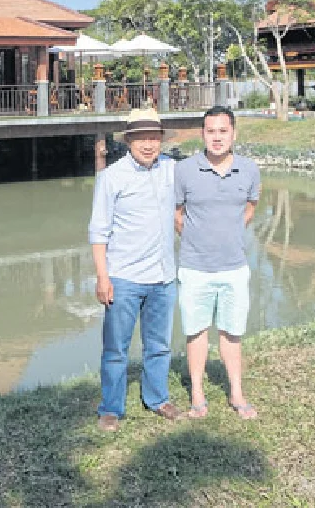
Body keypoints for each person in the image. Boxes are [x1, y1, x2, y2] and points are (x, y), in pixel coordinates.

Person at [88, 107, 181, 432]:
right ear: (128, 141)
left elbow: (182, 210)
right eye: (141, 137)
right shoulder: (111, 177)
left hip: (164, 277)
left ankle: (157, 398)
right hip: (124, 277)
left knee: (159, 344)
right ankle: (111, 408)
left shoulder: (172, 169)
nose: (148, 144)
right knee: (116, 349)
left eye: (153, 137)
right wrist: (103, 277)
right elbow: (99, 232)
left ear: (161, 140)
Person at [175, 105, 261, 419]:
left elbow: (249, 208)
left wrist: (228, 234)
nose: (217, 138)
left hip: (235, 267)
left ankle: (236, 392)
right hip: (195, 267)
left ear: (233, 134)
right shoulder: (184, 170)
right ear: (202, 134)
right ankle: (197, 393)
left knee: (232, 331)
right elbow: (178, 215)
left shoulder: (249, 170)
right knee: (196, 331)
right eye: (210, 131)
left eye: (223, 131)